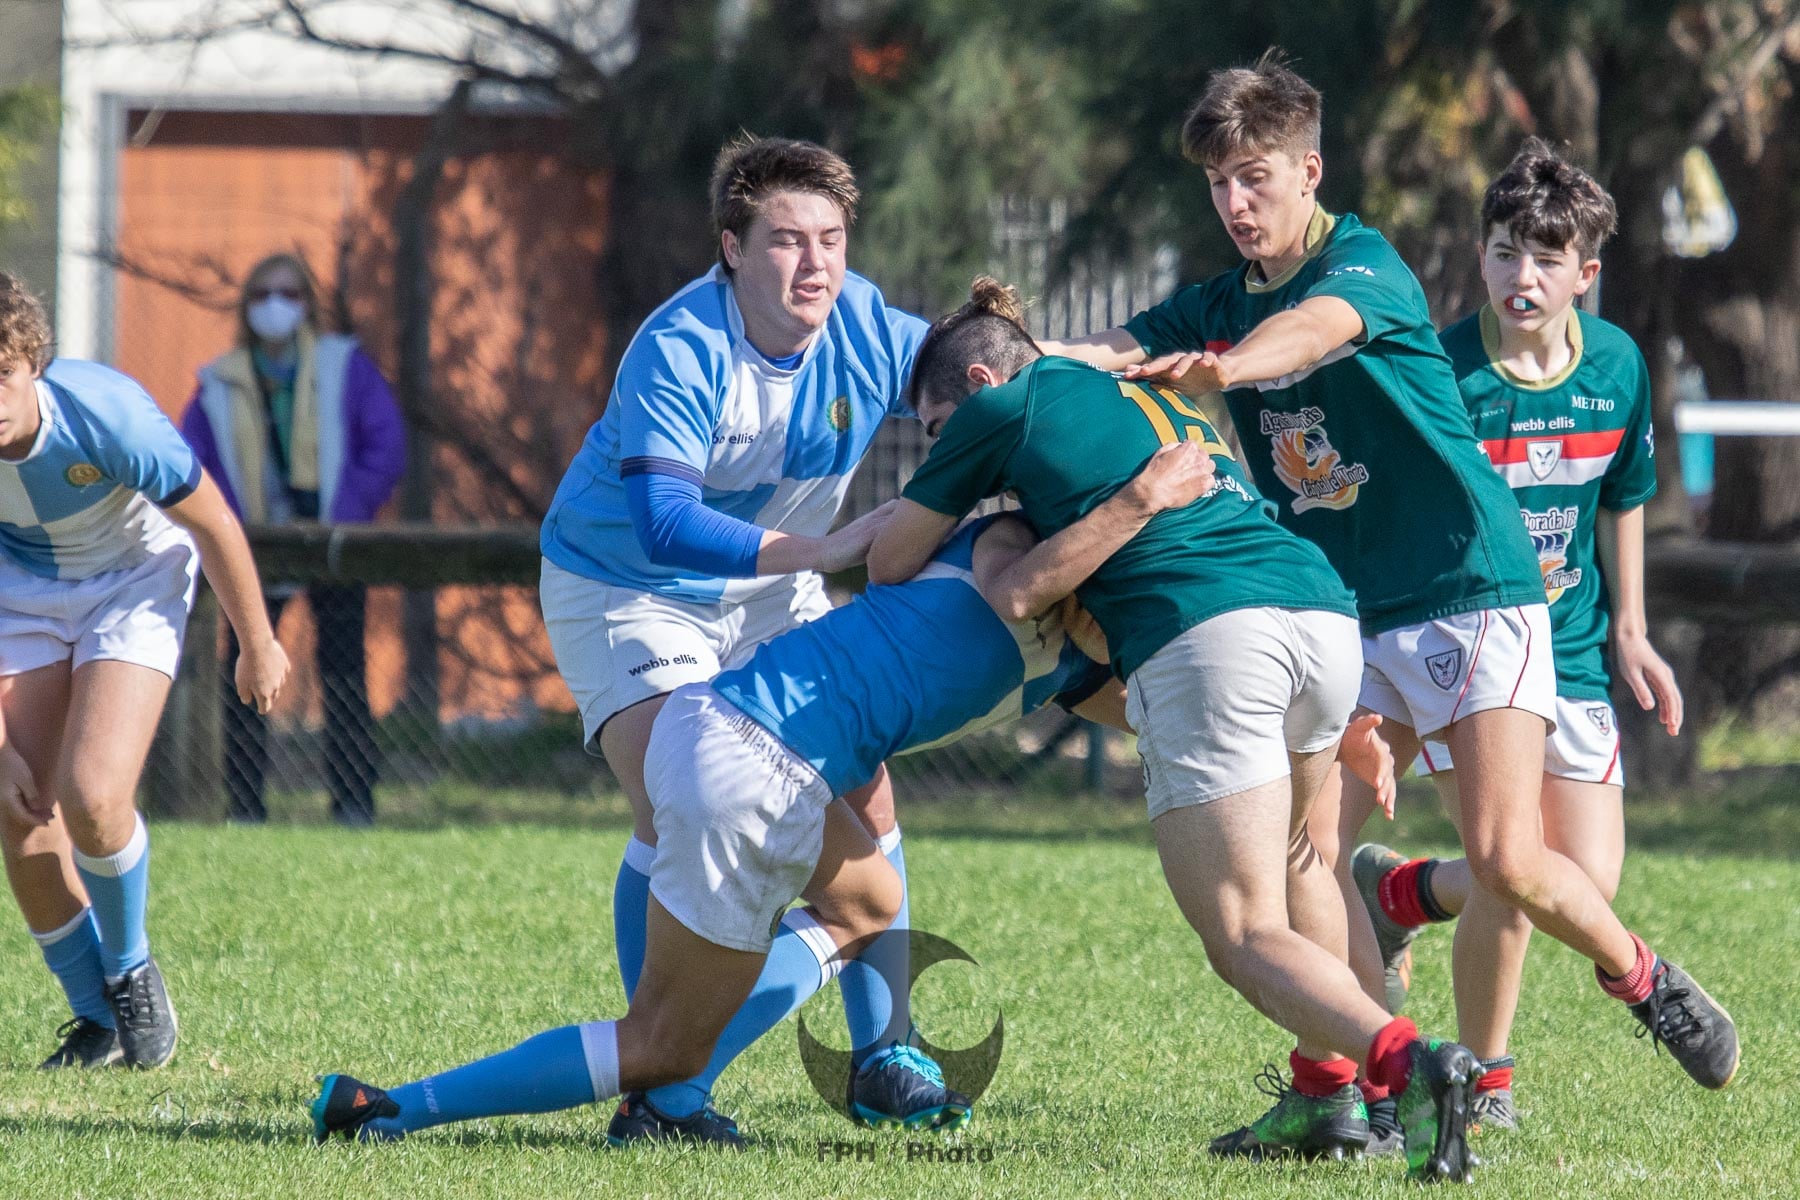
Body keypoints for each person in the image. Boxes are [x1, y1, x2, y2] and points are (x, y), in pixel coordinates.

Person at [1033, 51, 1738, 1154]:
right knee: (1305, 856)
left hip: (1470, 587)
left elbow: (1309, 336)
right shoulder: (1217, 301)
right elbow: (1105, 351)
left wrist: (1228, 369)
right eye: (1218, 182)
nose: (1236, 202)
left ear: (1309, 170)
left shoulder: (1363, 265)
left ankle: (1642, 977)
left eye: (1255, 176)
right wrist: (1016, 358)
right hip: (1350, 614)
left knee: (1505, 859)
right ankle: (1352, 1088)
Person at [312, 441, 1315, 1143]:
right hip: (750, 759)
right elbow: (1020, 582)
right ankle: (394, 1110)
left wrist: (1316, 728)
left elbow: (1168, 710)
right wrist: (1141, 498)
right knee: (656, 1044)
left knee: (870, 902)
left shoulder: (1075, 640)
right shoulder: (1012, 550)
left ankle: (724, 1080)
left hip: (738, 735)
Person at [868, 280, 1481, 1183]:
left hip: (1212, 634)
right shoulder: (1126, 393)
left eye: (936, 426)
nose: (939, 446)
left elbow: (891, 562)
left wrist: (977, 519)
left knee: (1242, 933)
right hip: (1318, 612)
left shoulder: (1001, 407)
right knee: (1302, 858)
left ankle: (1410, 1066)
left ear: (983, 380)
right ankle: (1325, 1095)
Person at [535, 134, 946, 1140]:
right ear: (732, 247)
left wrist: (1103, 371)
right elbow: (663, 525)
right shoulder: (681, 345)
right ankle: (664, 1078)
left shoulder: (863, 322)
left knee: (866, 786)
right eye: (786, 241)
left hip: (772, 590)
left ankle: (885, 1053)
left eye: (832, 240)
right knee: (681, 813)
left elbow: (981, 376)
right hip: (630, 593)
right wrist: (828, 547)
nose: (815, 264)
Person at [1352, 140, 1704, 1133]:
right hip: (1463, 648)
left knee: (1580, 881)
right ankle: (1487, 1083)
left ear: (1585, 273)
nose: (1523, 276)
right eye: (1506, 252)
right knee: (1512, 868)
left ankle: (1404, 893)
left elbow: (1626, 494)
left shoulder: (1619, 366)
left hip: (1572, 647)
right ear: (1481, 256)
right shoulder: (1441, 373)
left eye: (1547, 260)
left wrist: (1631, 629)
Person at [0, 273, 289, 1070]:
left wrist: (257, 641)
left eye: (2, 372)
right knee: (17, 805)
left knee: (93, 796)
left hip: (131, 579)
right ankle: (97, 1021)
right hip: (20, 592)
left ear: (33, 363)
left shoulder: (105, 412)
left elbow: (213, 519)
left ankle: (129, 969)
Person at [181, 253, 406, 826]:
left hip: (334, 536)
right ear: (245, 306)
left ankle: (354, 805)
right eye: (262, 294)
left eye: (288, 292)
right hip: (252, 543)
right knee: (247, 671)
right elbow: (192, 463)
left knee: (345, 670)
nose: (275, 305)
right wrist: (229, 526)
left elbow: (385, 445)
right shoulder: (218, 382)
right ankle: (245, 808)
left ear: (308, 302)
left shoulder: (344, 365)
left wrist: (346, 513)